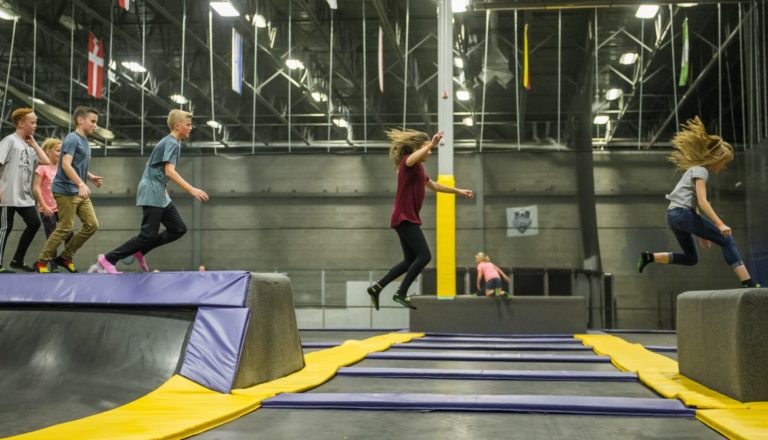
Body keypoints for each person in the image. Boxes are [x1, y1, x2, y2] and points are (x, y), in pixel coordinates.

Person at [637, 116, 756, 287]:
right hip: (683, 214)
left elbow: (693, 204)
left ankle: (649, 257)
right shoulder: (701, 171)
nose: (725, 167)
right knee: (727, 240)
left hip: (673, 216)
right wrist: (720, 224)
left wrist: (700, 232)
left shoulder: (694, 170)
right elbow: (702, 202)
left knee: (691, 258)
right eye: (725, 162)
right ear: (717, 158)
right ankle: (748, 283)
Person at [366, 129, 474, 310]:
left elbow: (435, 185)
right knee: (425, 256)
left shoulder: (419, 169)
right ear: (416, 148)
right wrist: (431, 144)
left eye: (430, 149)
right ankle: (401, 293)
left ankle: (376, 287)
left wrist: (458, 191)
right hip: (404, 217)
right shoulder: (407, 162)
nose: (430, 152)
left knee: (409, 260)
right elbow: (411, 159)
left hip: (406, 218)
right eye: (427, 149)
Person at [96, 110, 208, 274]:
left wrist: (164, 191)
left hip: (160, 192)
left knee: (178, 228)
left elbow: (156, 168)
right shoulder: (171, 143)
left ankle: (141, 251)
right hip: (152, 190)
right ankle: (109, 258)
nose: (191, 128)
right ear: (177, 126)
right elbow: (169, 171)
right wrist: (191, 189)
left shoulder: (170, 142)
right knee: (148, 234)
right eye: (188, 124)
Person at [34, 106, 103, 273]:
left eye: (96, 123)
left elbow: (75, 165)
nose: (96, 125)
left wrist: (90, 177)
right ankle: (41, 261)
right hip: (65, 191)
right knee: (65, 227)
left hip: (78, 190)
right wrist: (81, 184)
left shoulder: (85, 141)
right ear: (80, 120)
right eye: (92, 121)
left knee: (92, 225)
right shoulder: (72, 138)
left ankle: (65, 256)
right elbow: (65, 165)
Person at [0, 108, 51, 273]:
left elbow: (46, 160)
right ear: (21, 123)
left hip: (24, 197)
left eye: (36, 122)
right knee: (5, 228)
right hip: (8, 194)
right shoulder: (10, 141)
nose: (36, 125)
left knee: (34, 223)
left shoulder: (30, 146)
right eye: (32, 122)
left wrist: (35, 144)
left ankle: (17, 260)